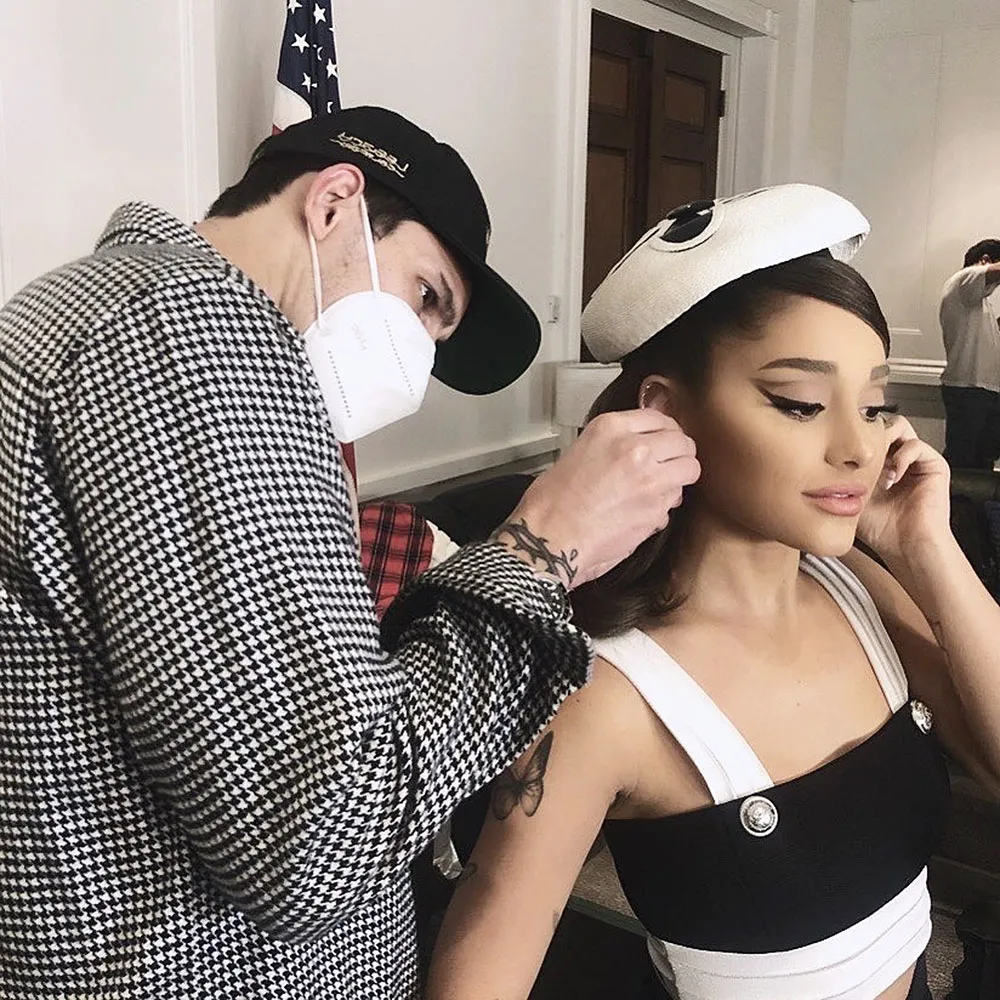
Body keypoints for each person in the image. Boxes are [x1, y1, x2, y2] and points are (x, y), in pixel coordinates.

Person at [0, 106, 701, 1000]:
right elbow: (316, 837)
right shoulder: (193, 338)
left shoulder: (83, 308)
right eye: (427, 297)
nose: (418, 357)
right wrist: (545, 545)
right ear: (334, 202)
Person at [427, 185, 1000, 1000]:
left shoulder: (860, 590)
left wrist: (927, 550)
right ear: (665, 411)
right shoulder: (604, 698)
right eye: (801, 404)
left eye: (877, 406)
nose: (857, 447)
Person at [939, 238, 1000, 469]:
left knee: (982, 462)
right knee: (962, 462)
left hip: (983, 389)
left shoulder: (977, 302)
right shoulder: (964, 280)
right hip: (969, 389)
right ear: (984, 260)